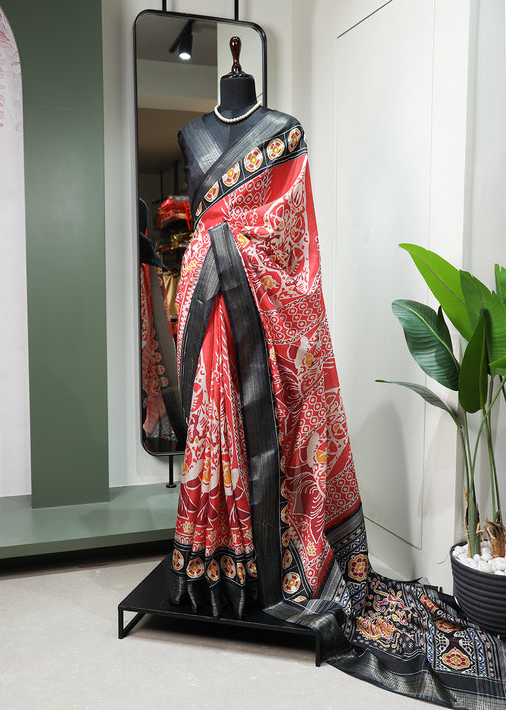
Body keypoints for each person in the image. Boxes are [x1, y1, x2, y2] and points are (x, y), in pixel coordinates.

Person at [169, 38, 506, 710]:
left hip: (267, 307)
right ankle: (220, 560)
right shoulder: (191, 135)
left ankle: (268, 562)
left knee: (276, 429)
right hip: (205, 307)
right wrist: (217, 255)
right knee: (215, 425)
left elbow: (293, 240)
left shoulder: (284, 133)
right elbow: (206, 222)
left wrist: (236, 254)